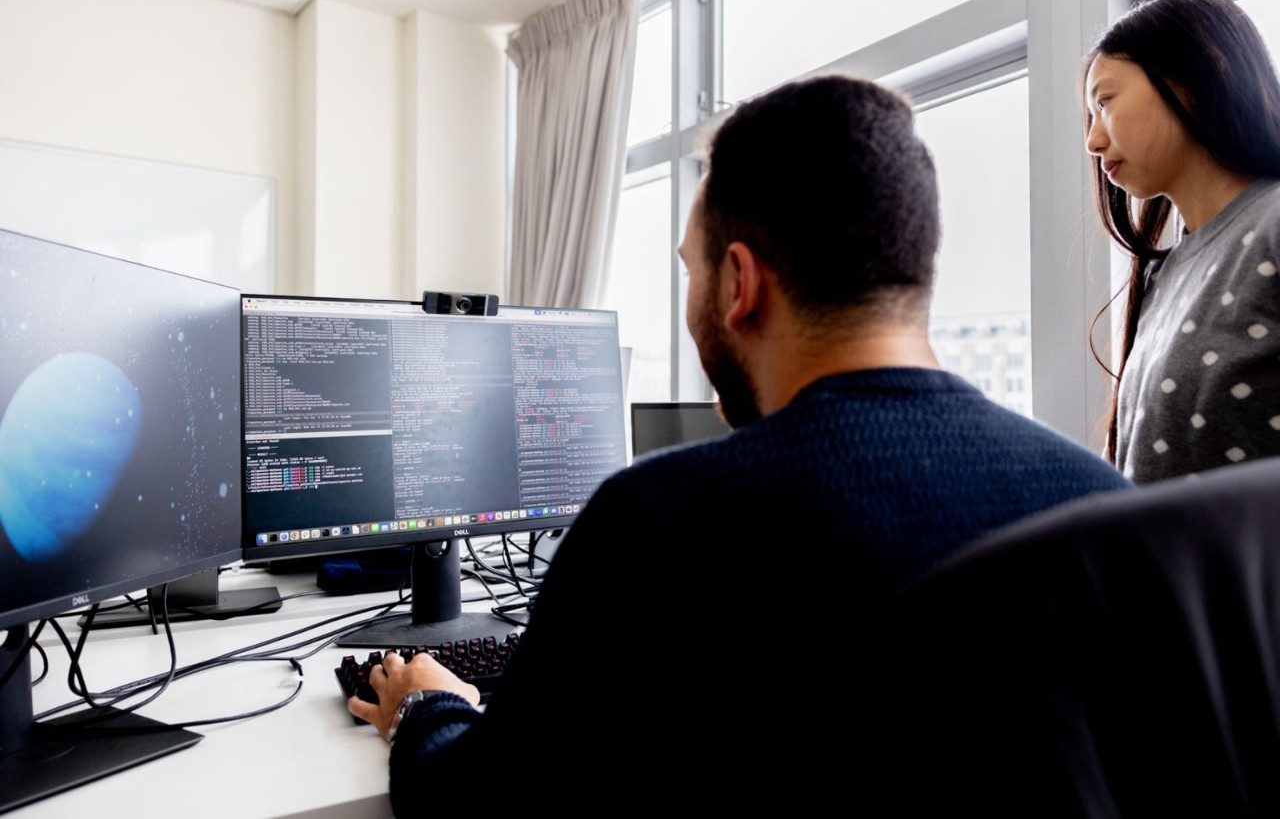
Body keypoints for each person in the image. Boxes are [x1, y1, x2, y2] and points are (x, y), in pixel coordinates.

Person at [352, 74, 1130, 808]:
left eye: (691, 270)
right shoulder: (1103, 506)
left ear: (739, 283)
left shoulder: (660, 518)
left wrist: (429, 703)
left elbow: (469, 803)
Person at [1084, 0, 1280, 483]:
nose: (1093, 139)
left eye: (1104, 101)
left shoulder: (1273, 224)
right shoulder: (1163, 274)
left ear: (1192, 79)